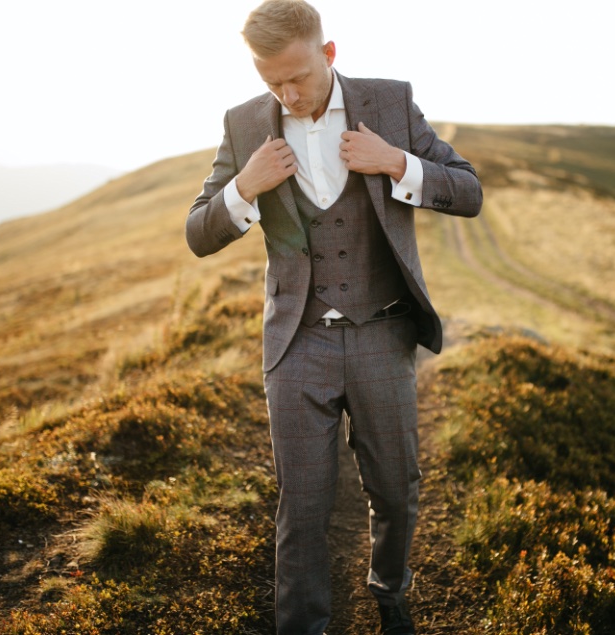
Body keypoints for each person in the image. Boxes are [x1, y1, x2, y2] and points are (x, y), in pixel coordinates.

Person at [185, 1, 482, 633]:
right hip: (297, 344)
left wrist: (396, 162)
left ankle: (390, 587)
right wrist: (245, 185)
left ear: (329, 53)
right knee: (303, 508)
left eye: (299, 76)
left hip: (382, 330)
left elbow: (469, 190)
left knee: (396, 490)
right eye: (273, 82)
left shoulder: (390, 103)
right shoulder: (243, 125)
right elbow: (198, 233)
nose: (288, 94)